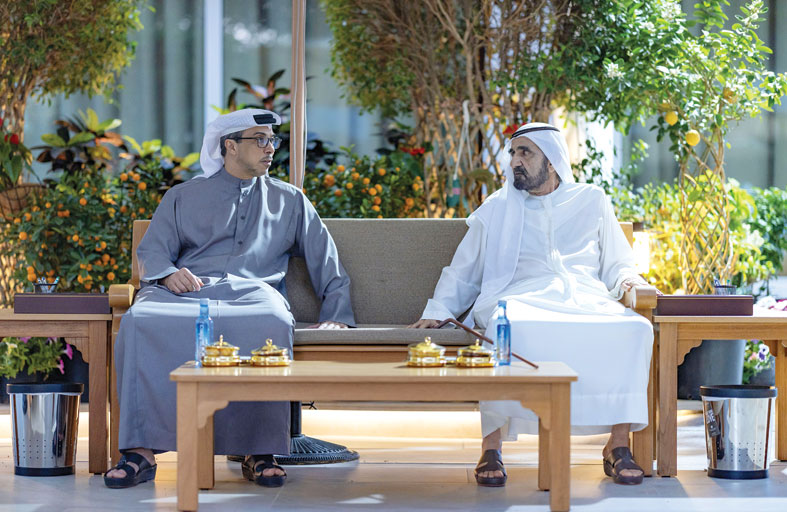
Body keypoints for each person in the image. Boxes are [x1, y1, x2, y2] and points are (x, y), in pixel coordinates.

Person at [105, 108, 355, 489]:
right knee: (140, 321)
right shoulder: (182, 196)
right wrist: (169, 274)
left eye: (272, 140)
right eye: (260, 139)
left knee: (272, 321)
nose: (270, 148)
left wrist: (336, 313)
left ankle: (260, 451)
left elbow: (327, 261)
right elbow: (153, 250)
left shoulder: (290, 201)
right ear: (230, 146)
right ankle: (140, 453)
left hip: (255, 295)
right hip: (185, 294)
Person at [410, 122, 654, 486]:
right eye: (513, 153)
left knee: (634, 329)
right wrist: (438, 310)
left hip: (586, 298)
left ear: (552, 161)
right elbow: (464, 269)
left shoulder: (590, 199)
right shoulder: (497, 207)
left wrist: (629, 281)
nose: (515, 162)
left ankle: (617, 444)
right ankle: (491, 446)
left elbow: (618, 262)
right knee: (506, 327)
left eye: (525, 153)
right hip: (521, 298)